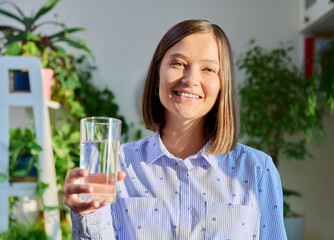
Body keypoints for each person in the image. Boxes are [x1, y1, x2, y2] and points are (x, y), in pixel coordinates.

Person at [63, 19, 287, 240]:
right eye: (178, 63)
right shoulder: (117, 166)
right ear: (157, 77)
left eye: (209, 69)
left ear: (222, 85)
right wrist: (88, 212)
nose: (191, 79)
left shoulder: (257, 169)